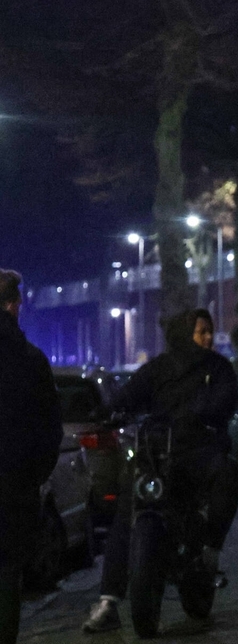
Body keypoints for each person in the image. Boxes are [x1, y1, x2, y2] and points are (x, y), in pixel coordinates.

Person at [83, 309, 238, 634]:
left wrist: (202, 414)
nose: (208, 338)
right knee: (126, 510)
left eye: (210, 331)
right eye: (201, 332)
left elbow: (226, 400)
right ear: (185, 334)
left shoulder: (218, 368)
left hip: (199, 451)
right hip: (157, 453)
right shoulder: (159, 368)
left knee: (228, 473)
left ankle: (211, 549)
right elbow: (130, 394)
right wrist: (107, 410)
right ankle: (108, 601)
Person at [0, 269, 62, 644]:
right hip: (13, 487)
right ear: (13, 305)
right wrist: (33, 475)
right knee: (7, 574)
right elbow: (49, 428)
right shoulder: (30, 360)